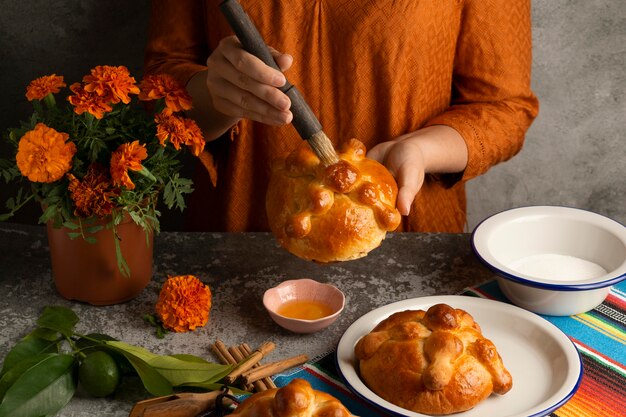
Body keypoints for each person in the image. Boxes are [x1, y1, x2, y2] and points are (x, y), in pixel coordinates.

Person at [144, 0, 538, 233]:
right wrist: (217, 94)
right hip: (240, 237)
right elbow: (159, 79)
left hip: (403, 238)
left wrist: (419, 150)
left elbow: (504, 107)